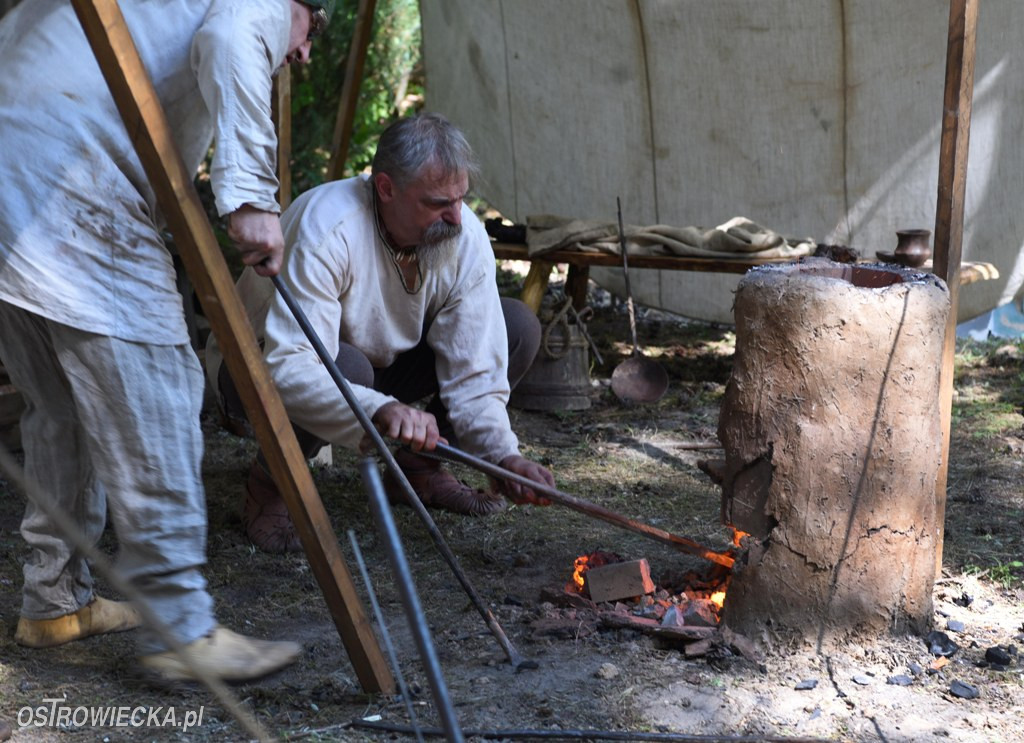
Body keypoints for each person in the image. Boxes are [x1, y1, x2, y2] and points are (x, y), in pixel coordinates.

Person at [0, 0, 333, 682]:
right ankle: (182, 626)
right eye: (311, 30)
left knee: (59, 409)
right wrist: (250, 198)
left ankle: (53, 601)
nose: (301, 54)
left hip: (18, 168)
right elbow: (237, 35)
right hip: (72, 172)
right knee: (156, 391)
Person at [206, 113, 556, 553]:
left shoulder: (460, 234)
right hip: (258, 370)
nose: (456, 218)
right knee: (345, 366)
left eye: (460, 198)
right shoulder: (329, 226)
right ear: (386, 188)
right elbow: (291, 365)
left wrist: (503, 456)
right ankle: (270, 483)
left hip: (373, 372)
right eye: (436, 203)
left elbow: (476, 366)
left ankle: (420, 465)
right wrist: (382, 408)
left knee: (515, 326)